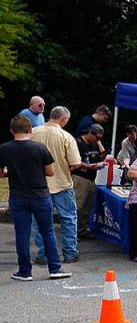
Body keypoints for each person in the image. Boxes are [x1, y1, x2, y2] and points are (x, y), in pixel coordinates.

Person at [0, 115, 71, 281]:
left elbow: (1, 172)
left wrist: (10, 172)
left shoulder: (4, 149)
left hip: (18, 196)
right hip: (40, 195)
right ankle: (54, 268)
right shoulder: (39, 148)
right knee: (47, 231)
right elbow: (50, 172)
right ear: (30, 130)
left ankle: (24, 271)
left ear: (12, 131)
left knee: (22, 233)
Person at [30, 106, 81, 265]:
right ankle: (70, 253)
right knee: (68, 220)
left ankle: (44, 255)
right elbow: (75, 163)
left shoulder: (32, 132)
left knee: (39, 222)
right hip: (62, 184)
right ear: (64, 119)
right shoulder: (66, 136)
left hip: (37, 185)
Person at [72, 124, 107, 239]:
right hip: (80, 177)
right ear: (90, 133)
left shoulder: (95, 144)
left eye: (100, 138)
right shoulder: (78, 143)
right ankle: (72, 232)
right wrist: (91, 166)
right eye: (96, 137)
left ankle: (82, 230)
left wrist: (101, 149)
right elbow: (75, 162)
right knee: (78, 206)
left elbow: (100, 157)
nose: (98, 140)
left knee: (88, 206)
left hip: (92, 178)